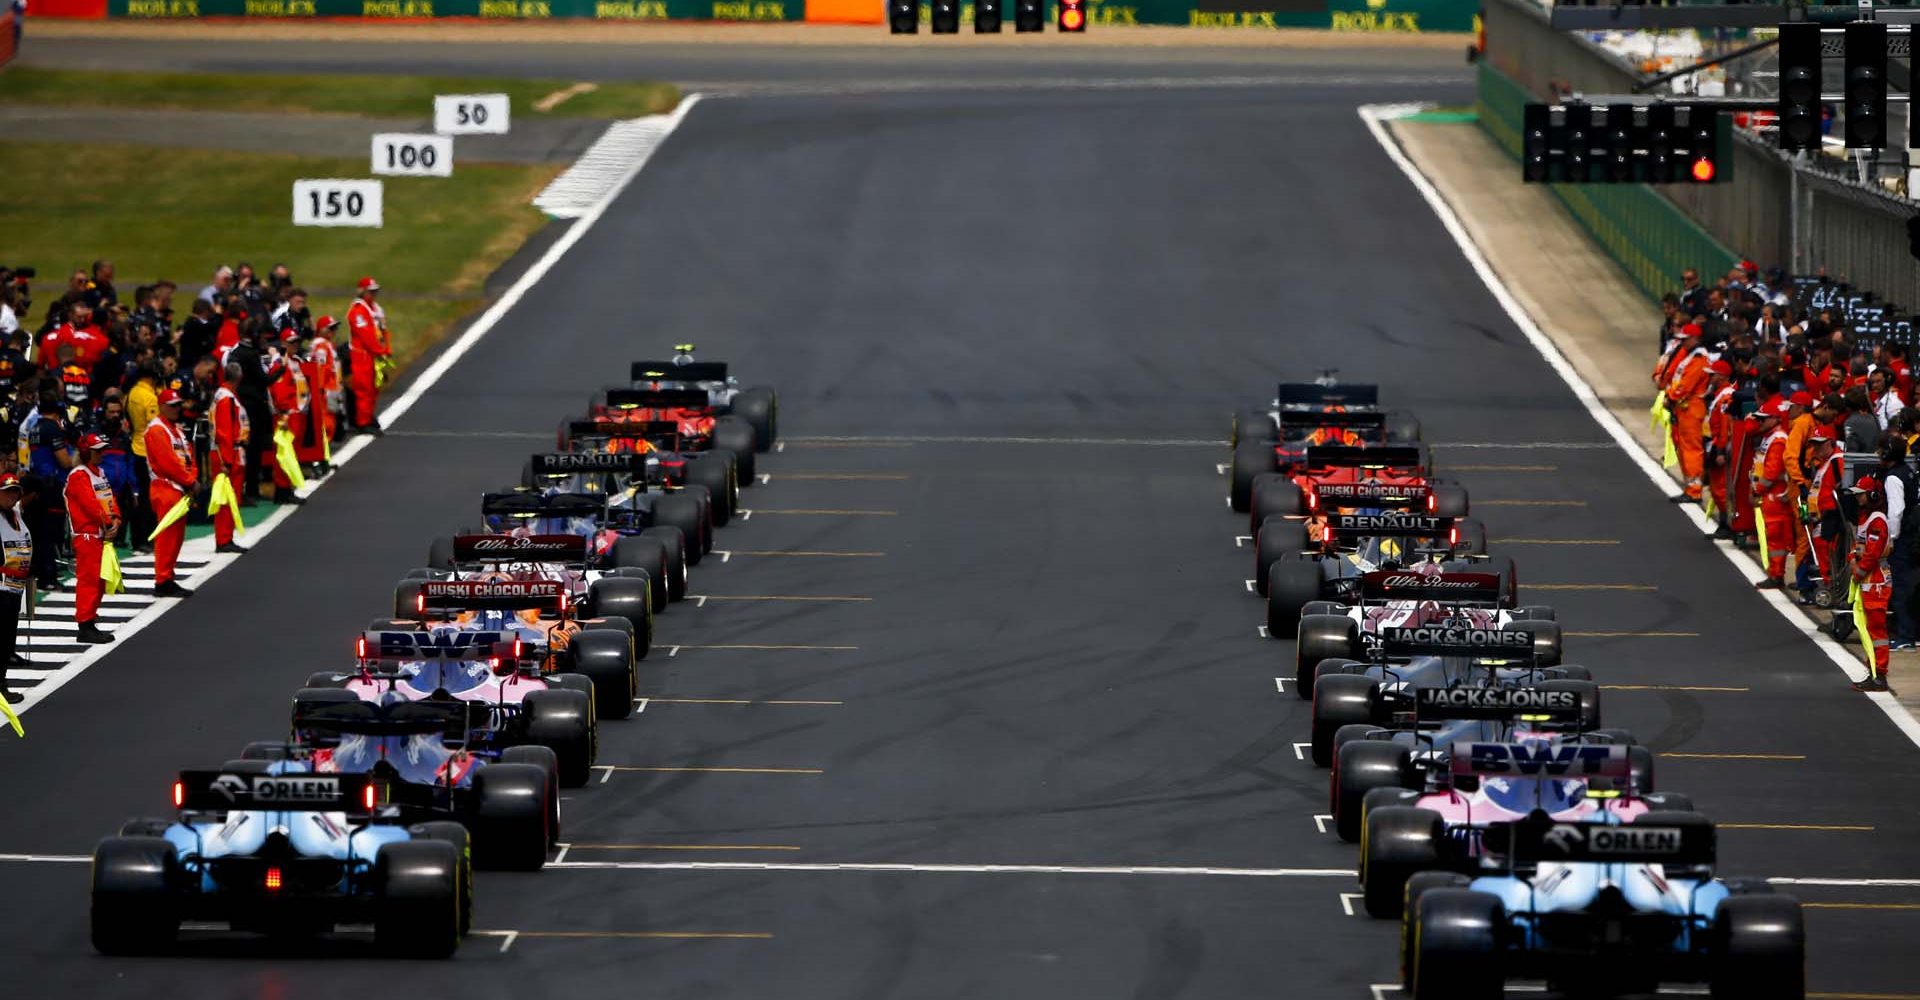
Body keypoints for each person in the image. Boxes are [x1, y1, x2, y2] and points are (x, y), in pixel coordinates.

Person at [63, 433, 120, 644]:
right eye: (97, 450)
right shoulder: (79, 475)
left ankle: (90, 621)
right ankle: (85, 625)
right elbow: (91, 505)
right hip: (87, 536)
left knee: (100, 581)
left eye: (102, 449)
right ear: (87, 451)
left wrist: (116, 520)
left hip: (101, 535)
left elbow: (110, 500)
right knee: (90, 581)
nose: (101, 453)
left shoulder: (100, 473)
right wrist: (108, 522)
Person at [142, 389, 196, 599]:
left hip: (179, 488)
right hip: (165, 487)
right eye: (172, 405)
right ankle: (162, 580)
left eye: (178, 405)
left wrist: (191, 479)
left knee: (177, 536)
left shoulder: (176, 430)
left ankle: (167, 577)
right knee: (168, 537)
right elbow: (168, 463)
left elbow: (188, 457)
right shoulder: (157, 430)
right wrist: (190, 480)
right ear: (162, 406)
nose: (177, 409)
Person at [1846, 475, 1895, 692]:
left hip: (1875, 582)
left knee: (1876, 630)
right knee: (1868, 629)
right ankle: (1874, 671)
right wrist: (1852, 561)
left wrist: (1858, 571)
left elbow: (1872, 553)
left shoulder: (1877, 520)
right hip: (1868, 581)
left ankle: (1880, 675)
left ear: (1872, 495)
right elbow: (1858, 547)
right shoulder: (1866, 518)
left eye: (1861, 494)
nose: (1858, 498)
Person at [1879, 437, 1920, 652]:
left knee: (1902, 587)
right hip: (1913, 536)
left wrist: (1890, 539)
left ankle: (1905, 635)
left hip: (1903, 539)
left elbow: (1896, 511)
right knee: (1912, 585)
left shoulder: (1893, 478)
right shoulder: (1909, 472)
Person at [1663, 325, 1711, 502]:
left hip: (1691, 408)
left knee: (1691, 449)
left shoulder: (1699, 359)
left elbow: (1685, 385)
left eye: (1686, 339)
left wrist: (1671, 396)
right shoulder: (1689, 356)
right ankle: (1690, 486)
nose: (1683, 342)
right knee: (1683, 448)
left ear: (1695, 338)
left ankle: (1694, 489)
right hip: (1683, 409)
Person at [1751, 399, 1793, 589]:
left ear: (1775, 419)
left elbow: (1772, 472)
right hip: (1770, 495)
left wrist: (1757, 489)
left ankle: (1777, 575)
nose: (1759, 422)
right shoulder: (1770, 437)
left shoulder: (1778, 440)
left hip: (1774, 496)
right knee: (1772, 536)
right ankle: (1774, 573)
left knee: (1776, 537)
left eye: (1763, 419)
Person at [209, 363, 249, 554]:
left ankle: (225, 537)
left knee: (228, 498)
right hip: (228, 454)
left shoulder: (222, 395)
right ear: (238, 378)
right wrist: (227, 460)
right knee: (227, 498)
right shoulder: (226, 399)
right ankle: (224, 539)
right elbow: (224, 432)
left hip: (227, 453)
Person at [345, 276, 390, 436]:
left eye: (375, 291)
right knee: (364, 388)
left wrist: (386, 349)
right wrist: (381, 351)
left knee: (374, 387)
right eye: (370, 292)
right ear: (362, 292)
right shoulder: (358, 310)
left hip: (374, 355)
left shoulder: (375, 309)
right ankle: (363, 423)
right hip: (362, 356)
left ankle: (368, 416)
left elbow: (383, 330)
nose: (373, 294)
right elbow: (366, 336)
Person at [1805, 428, 1844, 605]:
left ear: (1830, 442)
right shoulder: (1825, 462)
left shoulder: (1837, 461)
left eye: (1820, 444)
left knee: (1829, 556)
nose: (1816, 449)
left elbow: (1842, 487)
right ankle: (1828, 588)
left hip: (1830, 518)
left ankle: (1832, 591)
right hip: (1820, 519)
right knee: (1823, 556)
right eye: (1814, 444)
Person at [0, 473, 29, 702]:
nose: (11, 495)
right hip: (1, 586)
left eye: (14, 491)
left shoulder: (17, 514)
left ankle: (2, 683)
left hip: (15, 586)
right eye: (6, 491)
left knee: (8, 640)